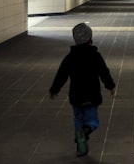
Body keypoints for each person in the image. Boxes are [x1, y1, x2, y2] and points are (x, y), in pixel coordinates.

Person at [49, 23, 116, 157]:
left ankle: (81, 145)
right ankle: (85, 132)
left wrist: (54, 89)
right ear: (90, 39)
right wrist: (110, 85)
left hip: (76, 95)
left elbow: (61, 74)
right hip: (91, 95)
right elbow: (104, 72)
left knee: (78, 118)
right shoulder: (95, 56)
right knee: (92, 121)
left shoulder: (70, 58)